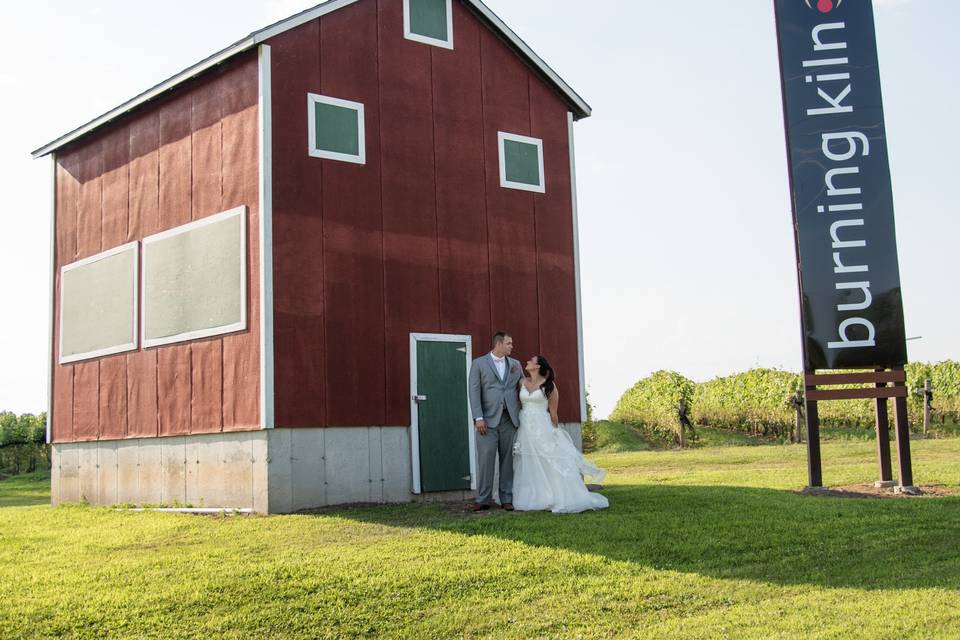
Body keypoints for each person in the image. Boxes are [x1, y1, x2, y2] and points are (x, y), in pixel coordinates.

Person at [512, 355, 608, 513]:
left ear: (537, 367)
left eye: (531, 361)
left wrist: (554, 431)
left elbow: (553, 413)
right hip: (526, 427)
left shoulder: (549, 386)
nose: (527, 362)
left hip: (542, 426)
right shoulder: (522, 382)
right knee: (529, 461)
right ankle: (535, 496)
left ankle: (558, 495)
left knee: (549, 460)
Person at [467, 332, 523, 511]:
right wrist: (478, 418)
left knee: (507, 461)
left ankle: (506, 498)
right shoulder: (478, 363)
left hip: (509, 419)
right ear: (498, 344)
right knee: (486, 460)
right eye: (509, 343)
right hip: (487, 421)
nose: (512, 346)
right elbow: (474, 392)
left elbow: (522, 385)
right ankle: (483, 498)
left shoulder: (516, 364)